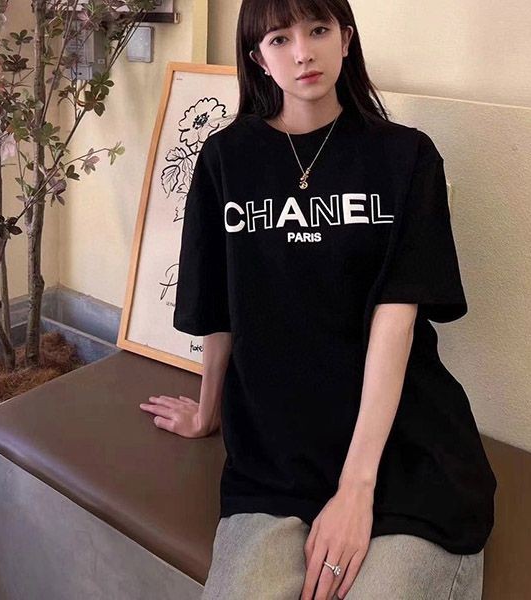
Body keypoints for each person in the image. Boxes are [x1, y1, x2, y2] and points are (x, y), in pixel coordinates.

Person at [139, 0, 497, 598]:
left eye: (319, 29)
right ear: (259, 59)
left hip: (403, 449)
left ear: (346, 40)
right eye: (279, 39)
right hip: (274, 456)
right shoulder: (226, 159)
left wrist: (357, 487)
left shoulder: (405, 157)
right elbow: (220, 306)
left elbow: (396, 321)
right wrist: (207, 410)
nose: (303, 52)